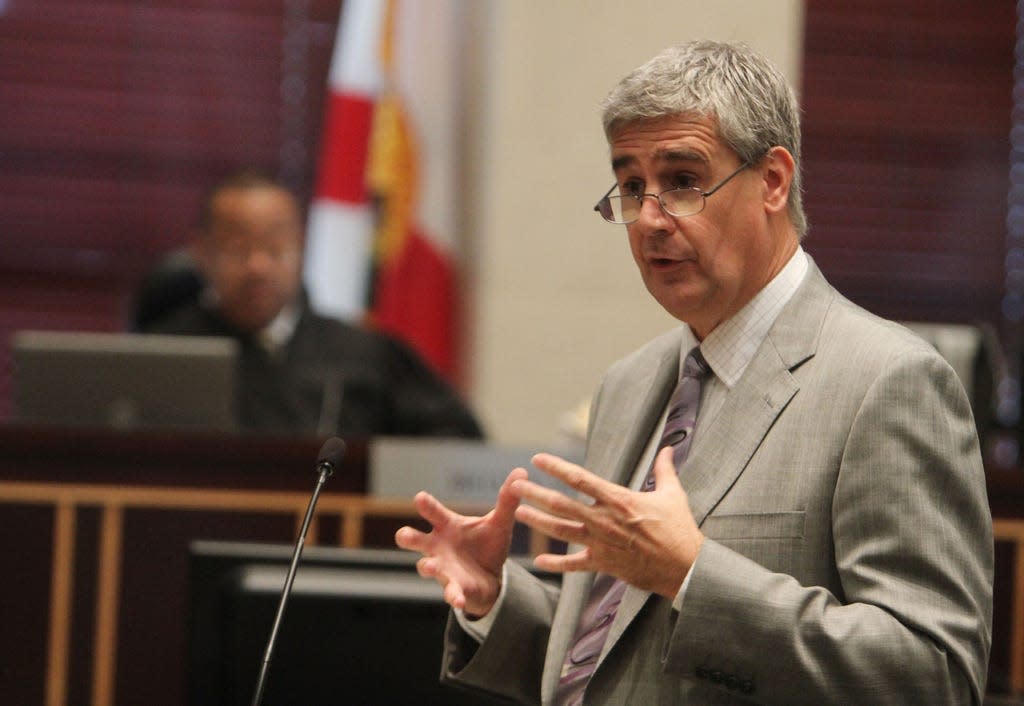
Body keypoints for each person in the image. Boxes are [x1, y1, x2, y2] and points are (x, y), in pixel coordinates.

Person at [395, 41, 993, 704]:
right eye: (630, 186)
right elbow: (622, 656)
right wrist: (498, 601)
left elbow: (933, 674)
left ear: (772, 181)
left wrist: (693, 575)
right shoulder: (631, 384)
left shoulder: (888, 383)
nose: (650, 218)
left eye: (682, 181)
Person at [143, 170, 483, 439]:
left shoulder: (364, 353)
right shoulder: (164, 354)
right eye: (238, 248)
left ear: (301, 247)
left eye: (275, 248)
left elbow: (455, 445)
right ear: (202, 252)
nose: (258, 266)